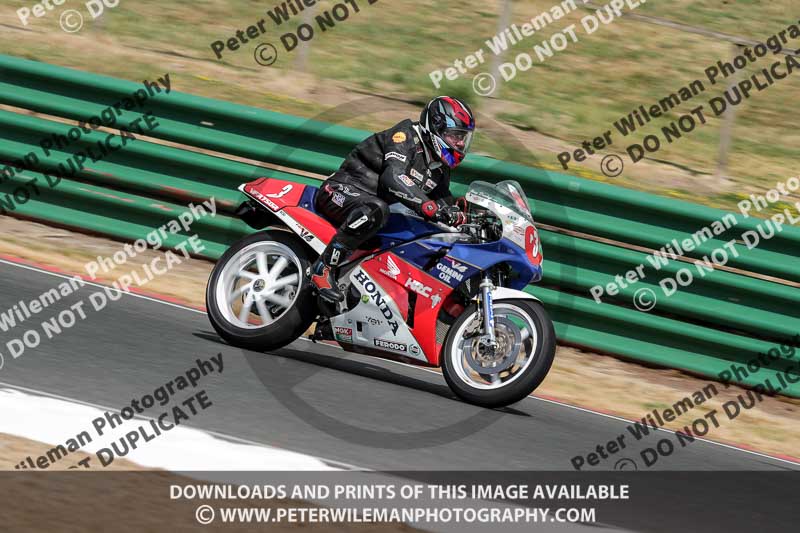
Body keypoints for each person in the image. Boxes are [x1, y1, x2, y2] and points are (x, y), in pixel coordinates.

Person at [310, 96, 476, 303]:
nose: (460, 143)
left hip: (374, 211)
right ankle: (322, 267)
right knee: (377, 209)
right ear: (436, 128)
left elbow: (443, 200)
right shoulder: (404, 136)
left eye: (463, 137)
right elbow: (393, 177)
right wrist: (429, 207)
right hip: (341, 191)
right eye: (455, 135)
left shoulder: (439, 166)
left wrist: (463, 216)